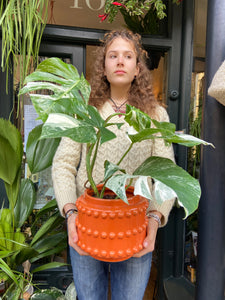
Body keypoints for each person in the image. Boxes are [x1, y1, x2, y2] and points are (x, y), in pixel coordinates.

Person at [52, 29, 175, 300]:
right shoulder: (85, 110)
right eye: (113, 56)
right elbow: (63, 164)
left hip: (134, 230)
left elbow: (167, 176)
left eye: (128, 56)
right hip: (87, 226)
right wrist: (71, 215)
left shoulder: (155, 115)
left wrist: (154, 222)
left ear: (137, 68)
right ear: (103, 67)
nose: (120, 61)